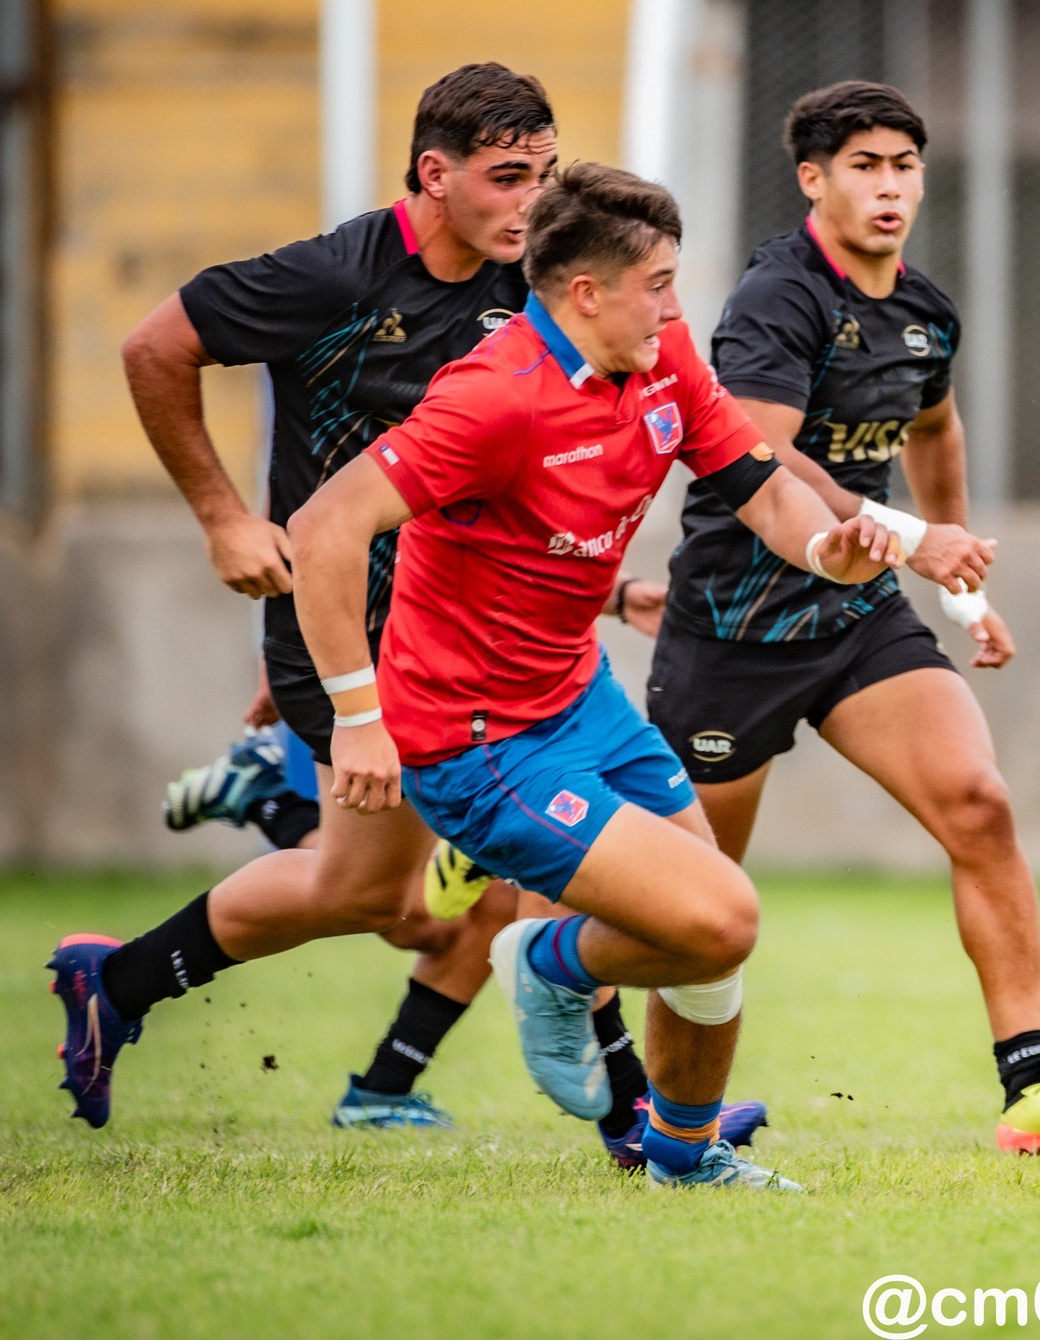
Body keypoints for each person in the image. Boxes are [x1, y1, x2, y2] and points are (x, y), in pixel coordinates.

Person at [289, 161, 895, 1190]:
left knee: (710, 940)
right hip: (475, 739)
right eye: (657, 282)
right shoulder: (493, 396)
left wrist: (829, 549)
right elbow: (324, 525)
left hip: (577, 698)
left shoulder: (661, 367)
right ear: (585, 293)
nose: (674, 303)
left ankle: (683, 1158)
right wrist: (357, 715)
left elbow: (760, 487)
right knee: (721, 917)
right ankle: (541, 965)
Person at [641, 80, 1040, 1153]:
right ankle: (654, 1104)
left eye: (903, 165)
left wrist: (958, 584)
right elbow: (759, 454)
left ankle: (1032, 1085)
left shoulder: (922, 309)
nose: (888, 187)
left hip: (857, 619)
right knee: (696, 911)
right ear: (811, 180)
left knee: (976, 804)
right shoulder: (777, 298)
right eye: (863, 166)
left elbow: (935, 432)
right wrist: (914, 538)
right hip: (737, 626)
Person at [50, 64, 554, 1129]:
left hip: (461, 626)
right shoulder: (335, 277)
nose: (531, 202)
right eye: (509, 177)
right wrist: (224, 517)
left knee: (425, 898)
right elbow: (155, 345)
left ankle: (165, 947)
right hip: (347, 634)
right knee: (407, 897)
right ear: (435, 173)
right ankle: (653, 1127)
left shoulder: (530, 285)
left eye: (544, 177)